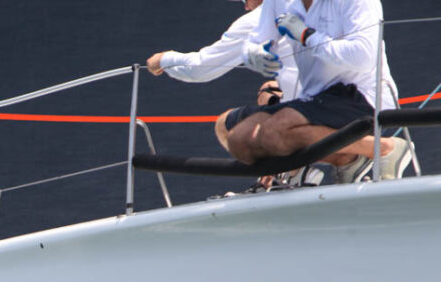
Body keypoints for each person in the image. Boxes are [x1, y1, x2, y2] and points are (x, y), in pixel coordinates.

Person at [218, 0, 411, 182]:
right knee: (237, 138)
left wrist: (307, 36)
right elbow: (256, 40)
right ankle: (347, 159)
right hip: (315, 99)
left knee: (274, 132)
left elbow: (363, 57)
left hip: (362, 96)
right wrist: (253, 54)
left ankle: (384, 148)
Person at [147, 0, 300, 105]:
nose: (246, 7)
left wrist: (163, 60)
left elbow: (199, 69)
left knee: (224, 124)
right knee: (269, 88)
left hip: (304, 110)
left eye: (244, 0)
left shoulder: (254, 20)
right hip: (314, 98)